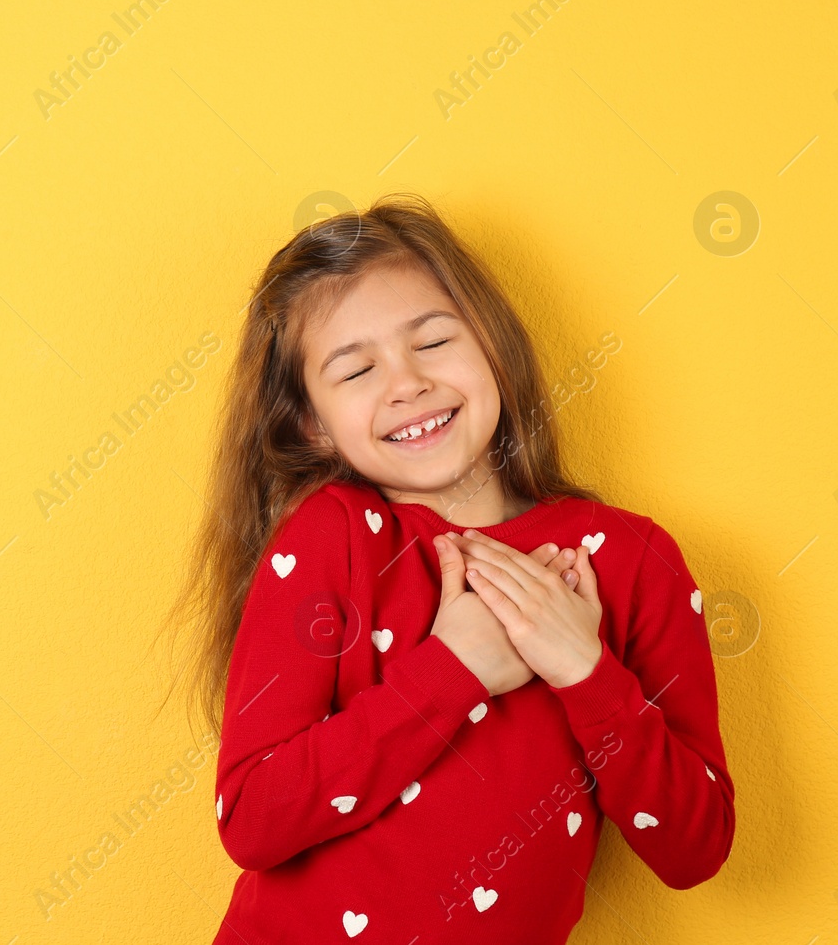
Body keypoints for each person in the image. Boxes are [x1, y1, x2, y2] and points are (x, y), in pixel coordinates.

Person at [155, 193, 734, 943]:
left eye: (431, 343)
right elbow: (253, 820)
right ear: (312, 426)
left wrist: (585, 671)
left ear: (492, 345)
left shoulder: (628, 558)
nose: (406, 383)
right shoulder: (332, 537)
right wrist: (455, 668)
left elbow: (695, 848)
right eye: (356, 370)